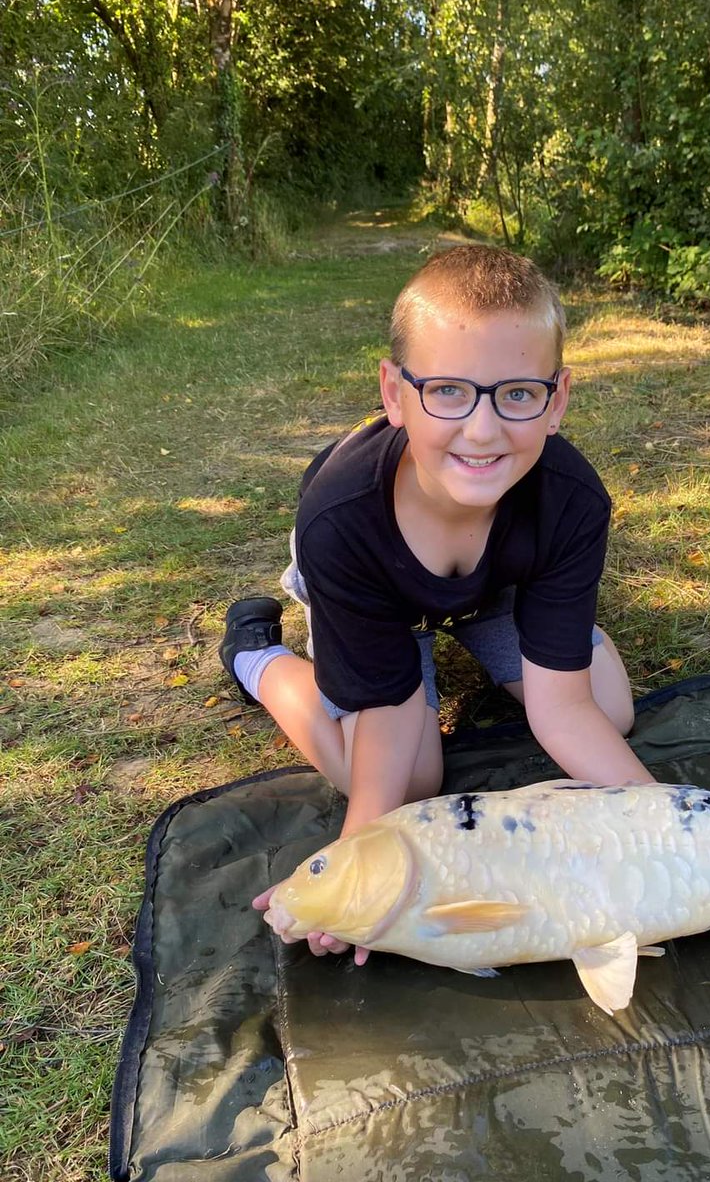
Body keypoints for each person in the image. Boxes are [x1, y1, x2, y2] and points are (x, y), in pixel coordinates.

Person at [220, 244, 660, 963]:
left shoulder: (573, 501)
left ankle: (487, 647)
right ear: (395, 394)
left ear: (558, 400)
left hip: (492, 589)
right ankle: (258, 659)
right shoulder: (341, 520)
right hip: (376, 593)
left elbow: (564, 709)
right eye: (448, 392)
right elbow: (389, 723)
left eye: (518, 393)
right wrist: (362, 857)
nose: (482, 430)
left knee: (609, 711)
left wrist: (669, 819)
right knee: (406, 776)